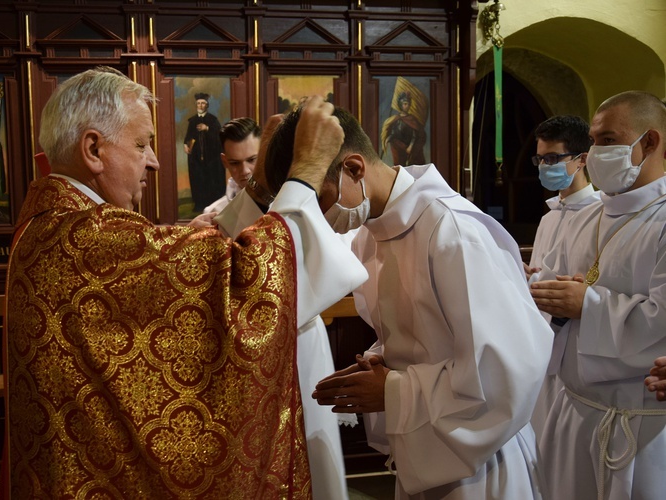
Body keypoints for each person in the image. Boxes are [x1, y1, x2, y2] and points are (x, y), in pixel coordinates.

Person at [0, 70, 367, 498]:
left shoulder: (55, 225)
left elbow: (211, 262)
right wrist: (304, 171)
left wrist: (265, 188)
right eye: (141, 144)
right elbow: (250, 276)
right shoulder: (83, 238)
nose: (154, 160)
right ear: (94, 149)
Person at [262, 104, 553, 499]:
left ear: (354, 169)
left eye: (320, 196)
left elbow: (507, 371)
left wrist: (393, 391)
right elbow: (420, 340)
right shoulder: (371, 234)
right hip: (423, 449)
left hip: (480, 465)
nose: (318, 214)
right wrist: (379, 363)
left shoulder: (453, 231)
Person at [530, 90, 666, 500]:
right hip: (572, 409)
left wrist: (585, 304)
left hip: (639, 425)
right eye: (593, 141)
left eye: (608, 141)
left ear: (650, 141)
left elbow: (662, 320)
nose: (594, 152)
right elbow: (548, 289)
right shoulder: (583, 215)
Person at [212, 113, 355, 499]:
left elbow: (307, 266)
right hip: (252, 356)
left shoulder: (314, 205)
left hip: (300, 344)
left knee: (313, 457)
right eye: (238, 162)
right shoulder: (220, 215)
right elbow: (256, 262)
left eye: (255, 159)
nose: (247, 170)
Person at [525, 115, 598, 445]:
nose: (544, 166)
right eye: (540, 158)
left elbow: (594, 283)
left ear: (581, 160)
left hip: (579, 353)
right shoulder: (550, 217)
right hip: (542, 347)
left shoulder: (601, 215)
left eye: (553, 158)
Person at [203, 117, 261, 214]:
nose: (245, 171)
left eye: (251, 160)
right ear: (225, 162)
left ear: (264, 156)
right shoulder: (213, 214)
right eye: (235, 163)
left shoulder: (284, 206)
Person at [182, 92, 225, 212]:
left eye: (203, 103)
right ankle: (199, 205)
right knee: (198, 180)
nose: (200, 106)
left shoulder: (213, 120)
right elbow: (188, 137)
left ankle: (213, 205)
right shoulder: (192, 121)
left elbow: (220, 136)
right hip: (196, 158)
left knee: (211, 179)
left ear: (207, 105)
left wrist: (207, 128)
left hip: (211, 158)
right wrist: (186, 144)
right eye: (198, 103)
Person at [380, 91, 427, 166]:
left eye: (408, 104)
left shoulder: (412, 119)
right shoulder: (396, 119)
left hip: (410, 149)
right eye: (405, 104)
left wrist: (410, 147)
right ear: (400, 105)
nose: (407, 106)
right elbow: (394, 134)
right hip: (400, 149)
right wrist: (387, 139)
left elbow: (415, 135)